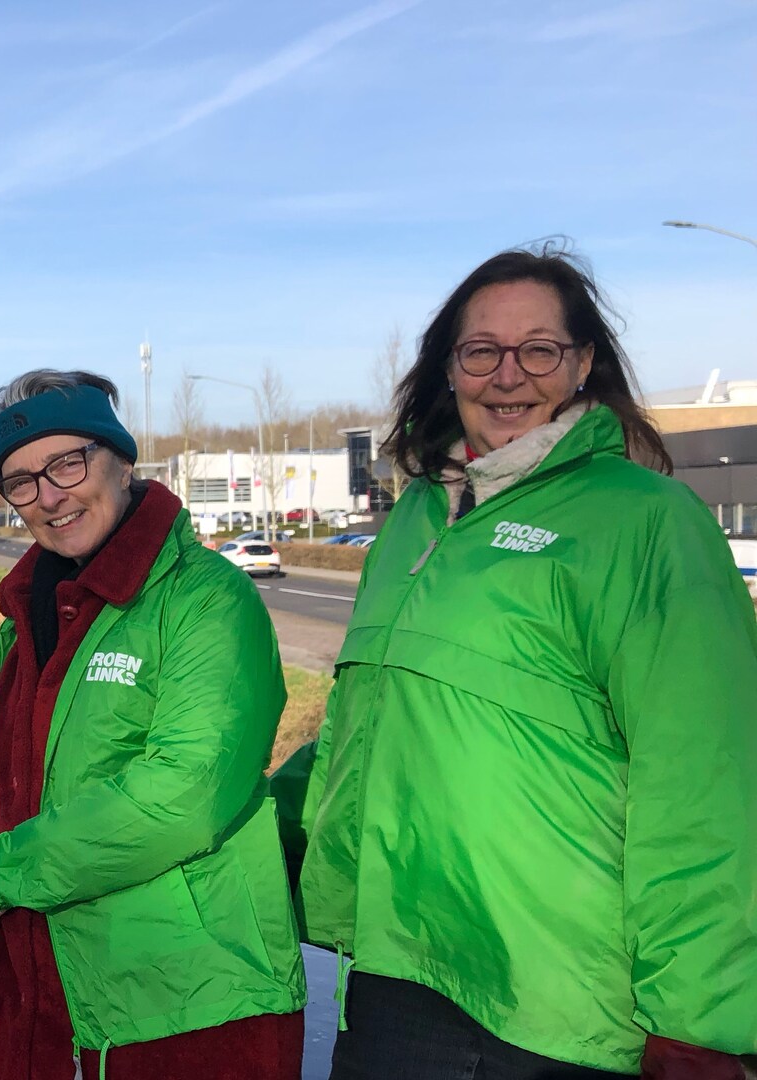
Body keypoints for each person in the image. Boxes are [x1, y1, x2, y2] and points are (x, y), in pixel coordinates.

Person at [299, 246, 757, 1079]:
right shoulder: (411, 521)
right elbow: (367, 728)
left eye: (539, 350)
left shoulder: (649, 522)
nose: (508, 376)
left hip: (555, 1000)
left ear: (582, 364)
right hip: (395, 964)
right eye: (482, 352)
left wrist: (698, 1021)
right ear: (449, 368)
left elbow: (705, 784)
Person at [0, 370, 305, 1080]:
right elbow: (10, 767)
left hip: (189, 992)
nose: (48, 496)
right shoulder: (28, 612)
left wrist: (6, 868)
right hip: (42, 972)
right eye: (20, 481)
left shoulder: (207, 599)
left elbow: (185, 793)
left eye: (67, 463)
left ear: (122, 460)